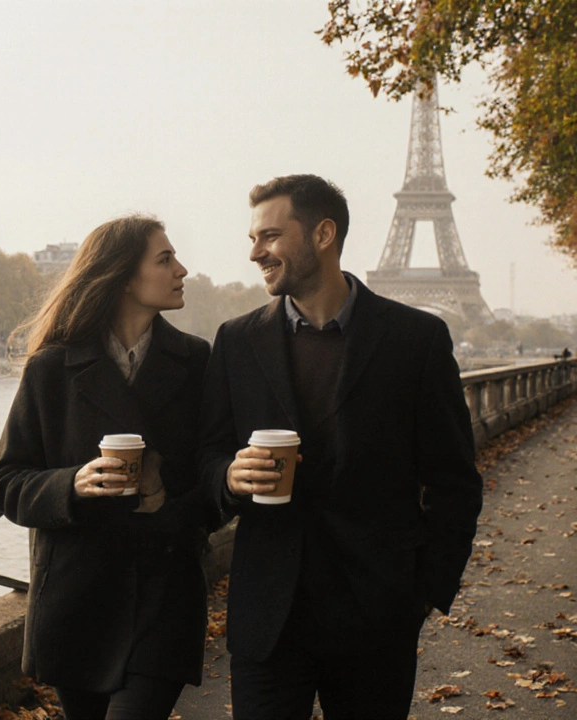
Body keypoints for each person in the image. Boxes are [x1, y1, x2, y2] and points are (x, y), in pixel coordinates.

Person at [198, 175, 483, 719]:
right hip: (269, 618)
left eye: (271, 235)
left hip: (376, 615)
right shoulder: (236, 340)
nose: (255, 251)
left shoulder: (416, 341)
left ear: (323, 233)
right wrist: (229, 478)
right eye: (254, 237)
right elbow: (207, 457)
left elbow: (455, 481)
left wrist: (422, 592)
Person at [0, 215, 217, 720]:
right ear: (121, 276)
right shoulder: (51, 368)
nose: (182, 269)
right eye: (165, 259)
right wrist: (73, 483)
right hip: (78, 606)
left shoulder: (197, 361)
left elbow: (215, 480)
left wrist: (164, 499)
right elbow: (6, 482)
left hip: (164, 598)